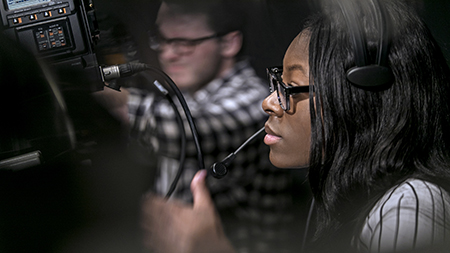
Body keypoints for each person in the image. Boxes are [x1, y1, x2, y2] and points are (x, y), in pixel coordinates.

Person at [141, 0, 450, 252]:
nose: (270, 102)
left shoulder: (410, 207)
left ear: (360, 99)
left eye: (290, 86)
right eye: (278, 81)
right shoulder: (343, 199)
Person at [96, 0, 297, 251]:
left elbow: (187, 132)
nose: (168, 53)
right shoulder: (190, 96)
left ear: (228, 43)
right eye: (161, 39)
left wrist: (96, 92)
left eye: (184, 42)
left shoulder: (255, 100)